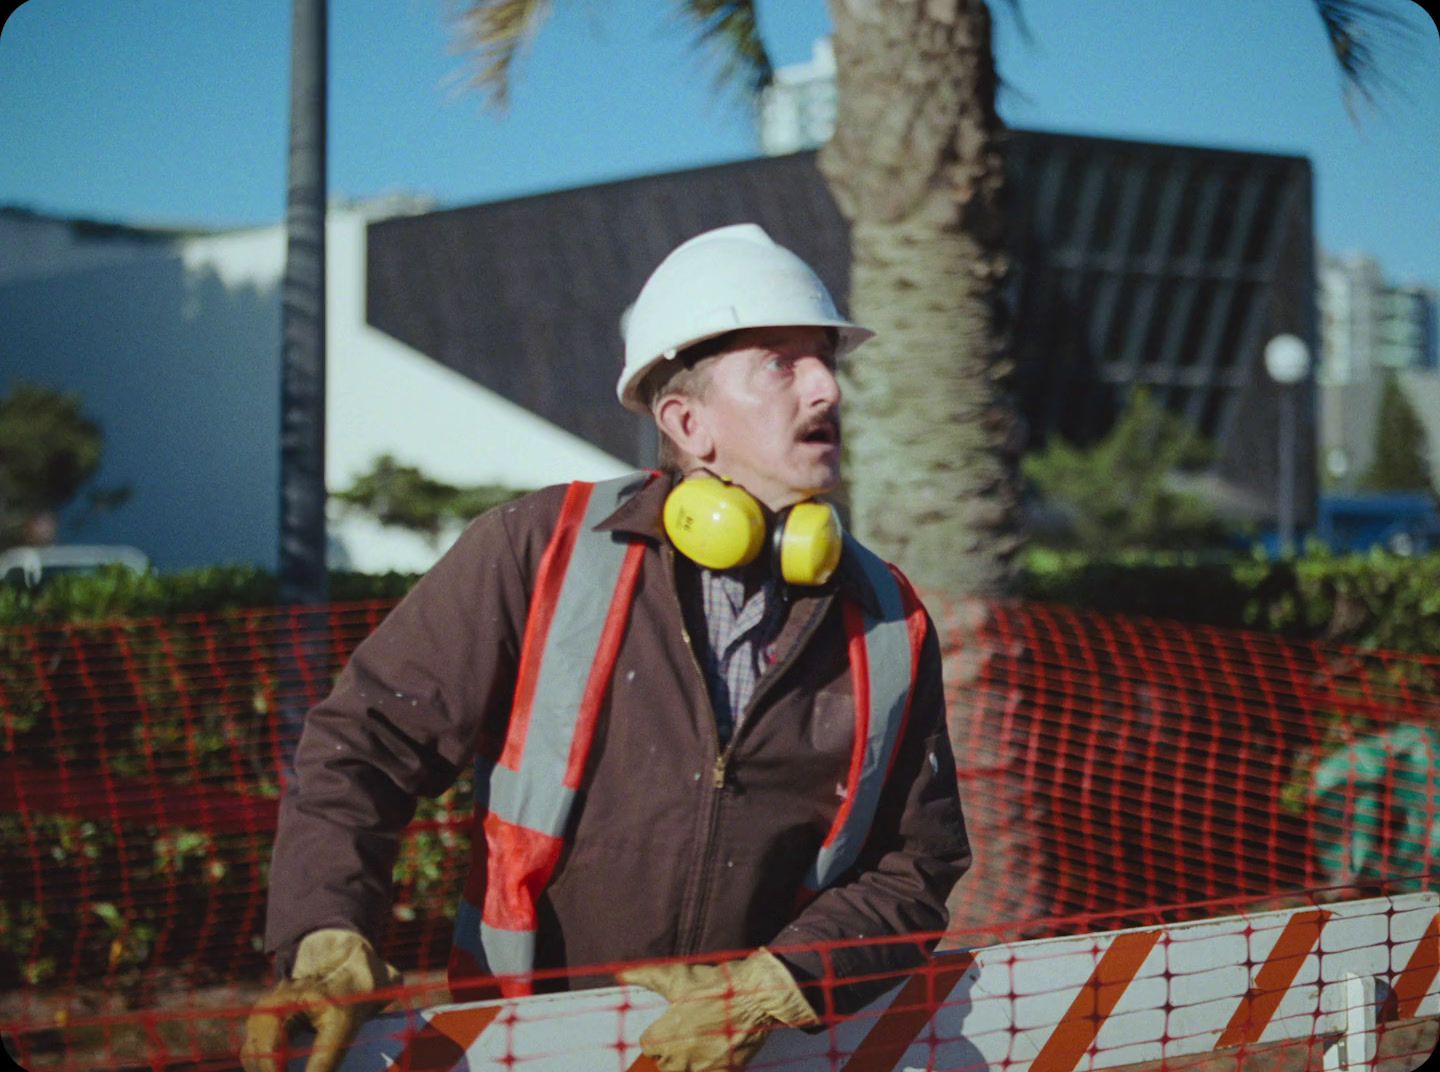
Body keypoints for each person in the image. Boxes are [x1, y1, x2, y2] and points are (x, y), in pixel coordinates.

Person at [241, 223, 970, 1072]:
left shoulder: (887, 614)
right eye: (781, 364)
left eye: (825, 362)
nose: (825, 390)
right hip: (527, 1050)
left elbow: (917, 864)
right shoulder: (535, 551)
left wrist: (780, 984)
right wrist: (324, 929)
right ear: (687, 422)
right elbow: (362, 746)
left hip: (763, 1057)